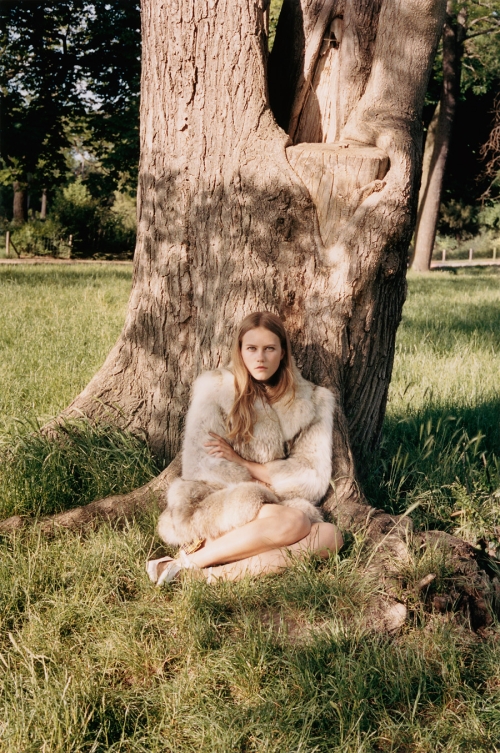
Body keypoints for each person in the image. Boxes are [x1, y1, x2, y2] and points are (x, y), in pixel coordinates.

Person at [147, 311, 343, 585]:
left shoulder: (312, 401)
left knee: (330, 537)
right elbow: (203, 465)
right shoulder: (216, 388)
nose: (260, 358)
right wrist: (257, 483)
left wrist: (246, 464)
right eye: (251, 348)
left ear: (283, 353)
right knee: (295, 522)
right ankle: (188, 561)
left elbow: (311, 476)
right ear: (240, 351)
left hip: (278, 505)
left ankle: (206, 576)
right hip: (218, 501)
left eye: (269, 349)